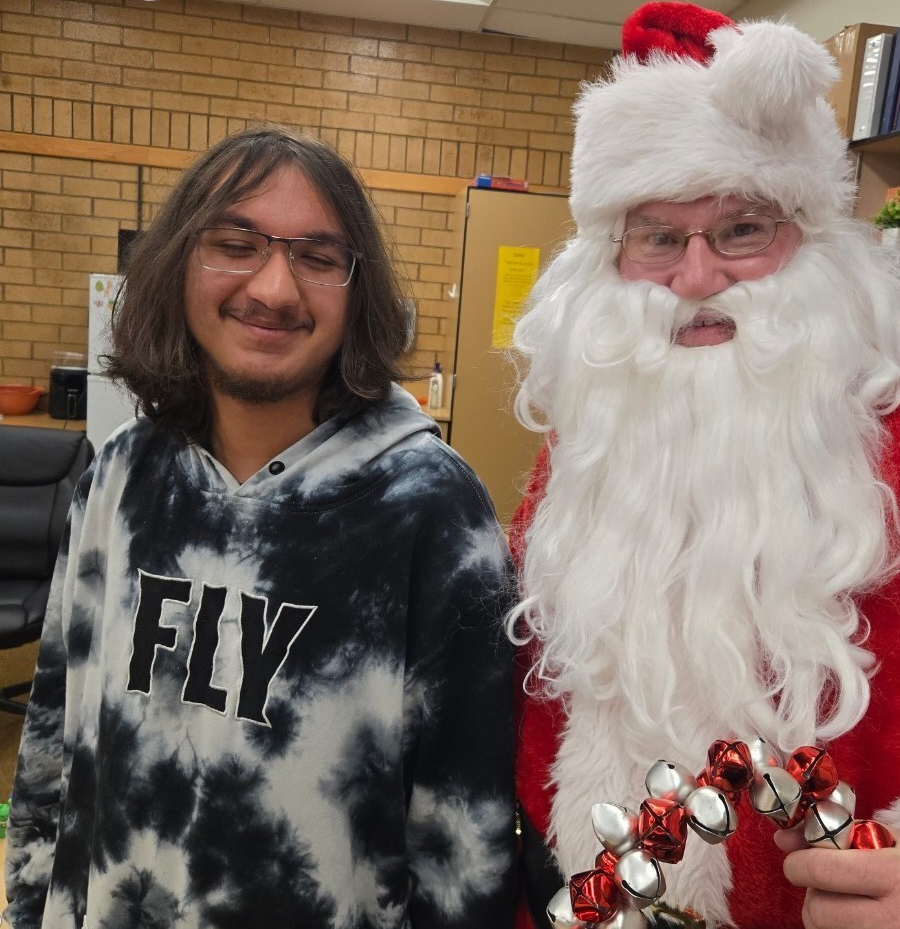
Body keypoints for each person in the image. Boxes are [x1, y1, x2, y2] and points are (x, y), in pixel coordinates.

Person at [507, 1, 900, 929]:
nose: (695, 276)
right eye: (657, 236)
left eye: (741, 230)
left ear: (811, 238)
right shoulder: (593, 437)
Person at [4, 127, 518, 929]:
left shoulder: (429, 506)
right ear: (178, 263)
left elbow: (466, 828)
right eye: (235, 243)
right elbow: (54, 734)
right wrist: (30, 902)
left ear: (359, 291)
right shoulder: (121, 473)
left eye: (318, 257)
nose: (275, 288)